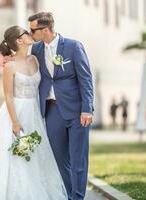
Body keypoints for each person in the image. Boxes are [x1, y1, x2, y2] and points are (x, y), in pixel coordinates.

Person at [0, 26, 67, 200]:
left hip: (34, 111)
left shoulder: (35, 59)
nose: (30, 34)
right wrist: (15, 122)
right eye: (26, 33)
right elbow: (8, 95)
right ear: (19, 40)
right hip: (16, 112)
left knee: (35, 152)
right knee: (16, 154)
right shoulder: (9, 66)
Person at [28, 12, 94, 200]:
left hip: (76, 112)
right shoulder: (36, 50)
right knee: (60, 159)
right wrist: (10, 61)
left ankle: (78, 197)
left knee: (78, 159)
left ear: (45, 29)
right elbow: (26, 65)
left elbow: (86, 79)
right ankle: (70, 194)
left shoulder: (73, 47)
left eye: (33, 30)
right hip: (51, 111)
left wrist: (87, 108)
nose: (30, 34)